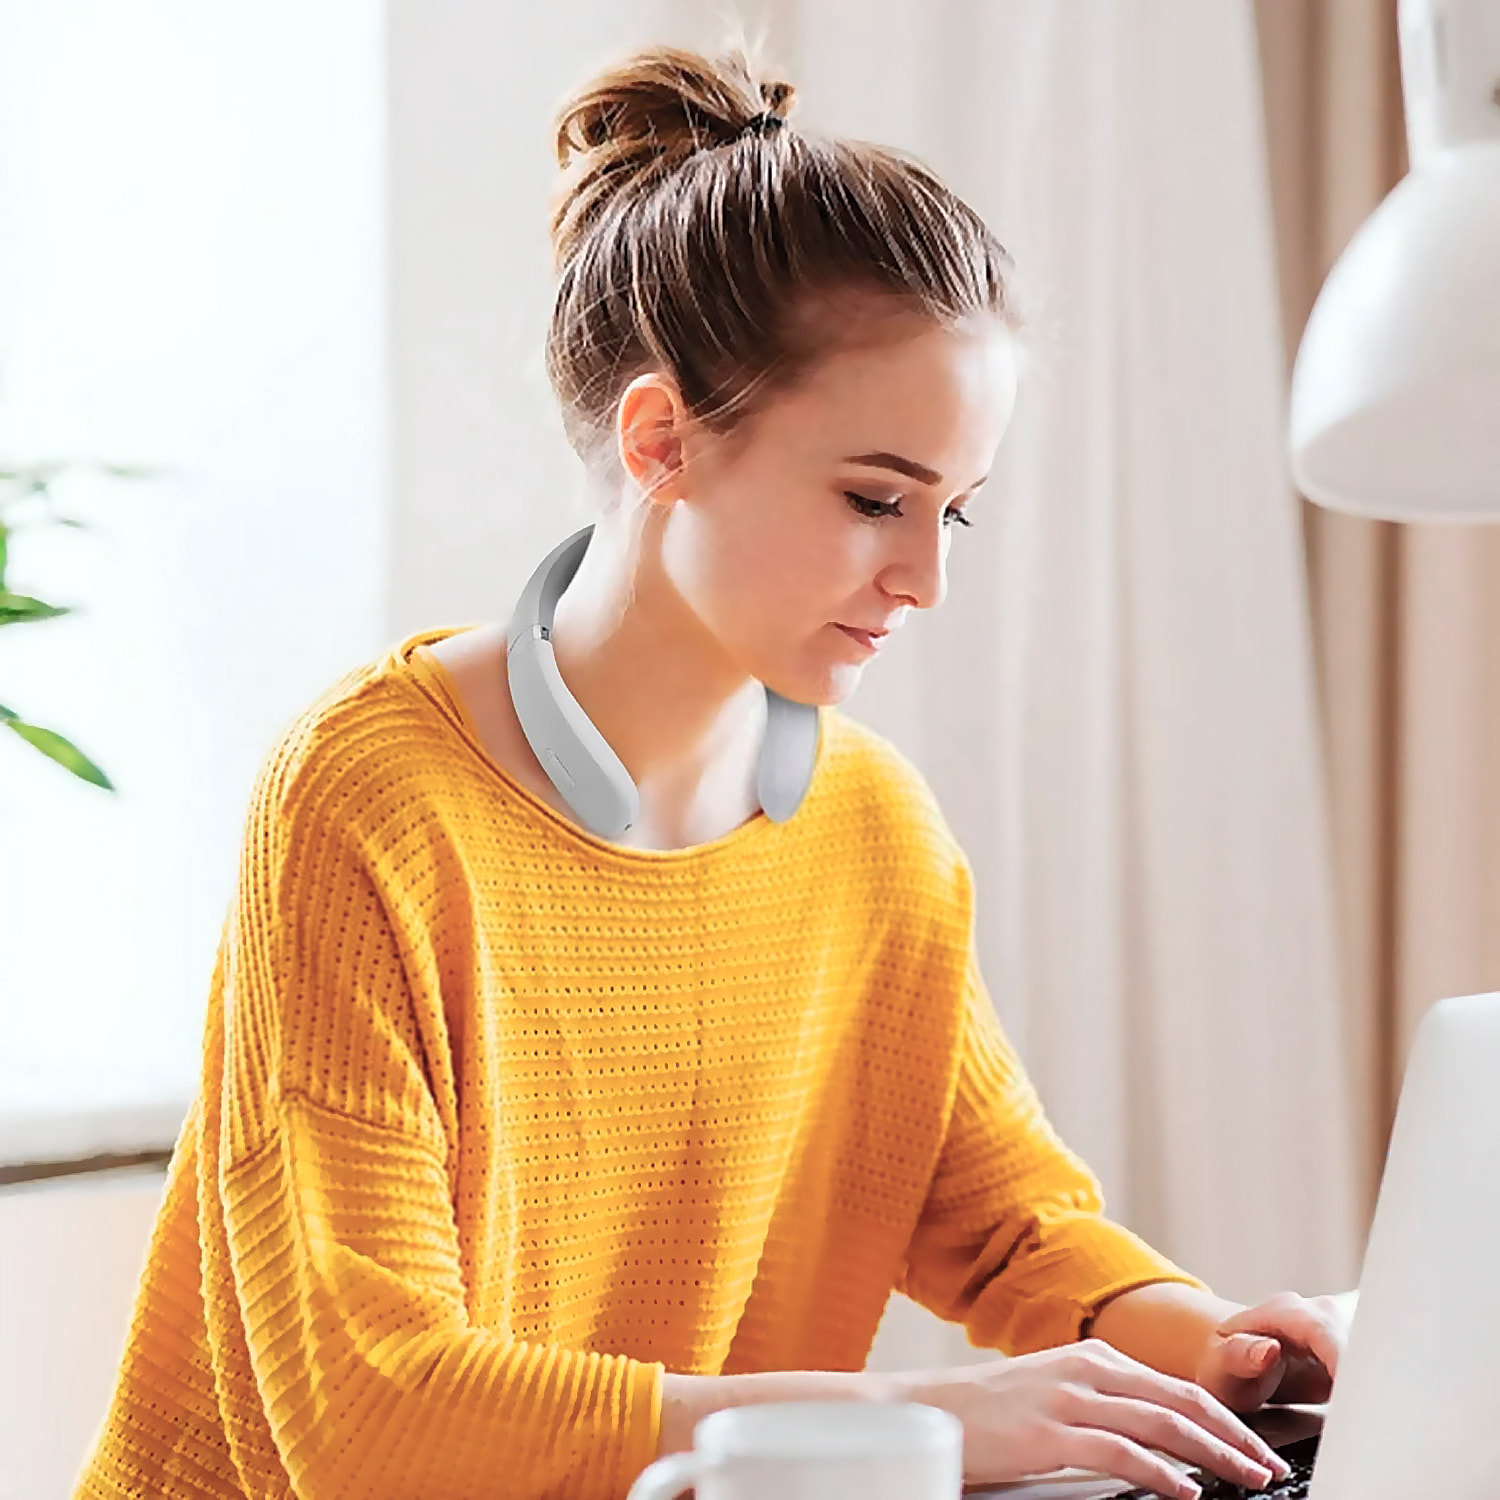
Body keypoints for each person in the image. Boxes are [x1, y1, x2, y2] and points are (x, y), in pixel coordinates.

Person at [74, 40, 1347, 1500]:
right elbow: (378, 1419)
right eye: (878, 499)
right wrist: (920, 1422)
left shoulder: (871, 829)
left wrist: (1219, 1347)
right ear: (663, 438)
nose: (925, 577)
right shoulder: (369, 804)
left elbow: (1005, 1229)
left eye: (959, 516)